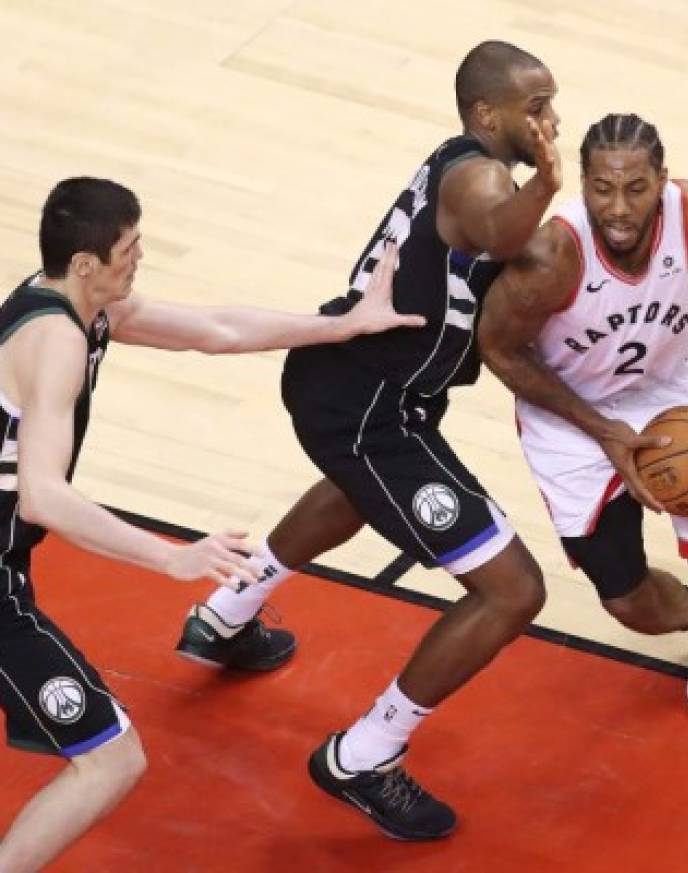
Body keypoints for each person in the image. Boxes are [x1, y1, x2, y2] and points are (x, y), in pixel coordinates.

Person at [0, 177, 419, 872]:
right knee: (113, 760)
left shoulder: (74, 300)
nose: (140, 255)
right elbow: (43, 498)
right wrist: (171, 557)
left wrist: (344, 322)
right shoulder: (56, 343)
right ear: (87, 262)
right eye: (129, 248)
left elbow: (214, 331)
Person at [175, 40, 561, 841]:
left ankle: (227, 610)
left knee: (357, 491)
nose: (550, 120)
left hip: (364, 388)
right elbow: (494, 230)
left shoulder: (474, 165)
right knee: (513, 589)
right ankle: (365, 752)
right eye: (536, 107)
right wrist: (554, 185)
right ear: (487, 115)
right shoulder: (477, 178)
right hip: (367, 404)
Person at [478, 112, 688, 718]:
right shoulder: (551, 256)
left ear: (662, 180)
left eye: (636, 189)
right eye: (602, 188)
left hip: (675, 388)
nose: (618, 207)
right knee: (628, 606)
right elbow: (498, 351)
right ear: (581, 182)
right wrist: (603, 430)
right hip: (571, 413)